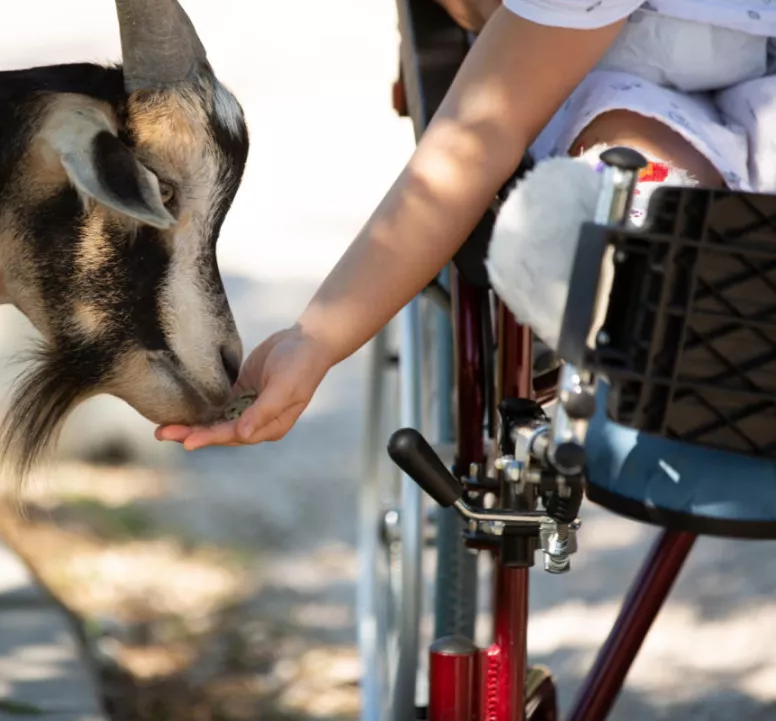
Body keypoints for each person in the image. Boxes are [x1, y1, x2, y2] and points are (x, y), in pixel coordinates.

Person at [156, 0, 776, 451]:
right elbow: (472, 147)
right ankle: (636, 254)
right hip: (600, 79)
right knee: (634, 176)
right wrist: (315, 339)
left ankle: (640, 263)